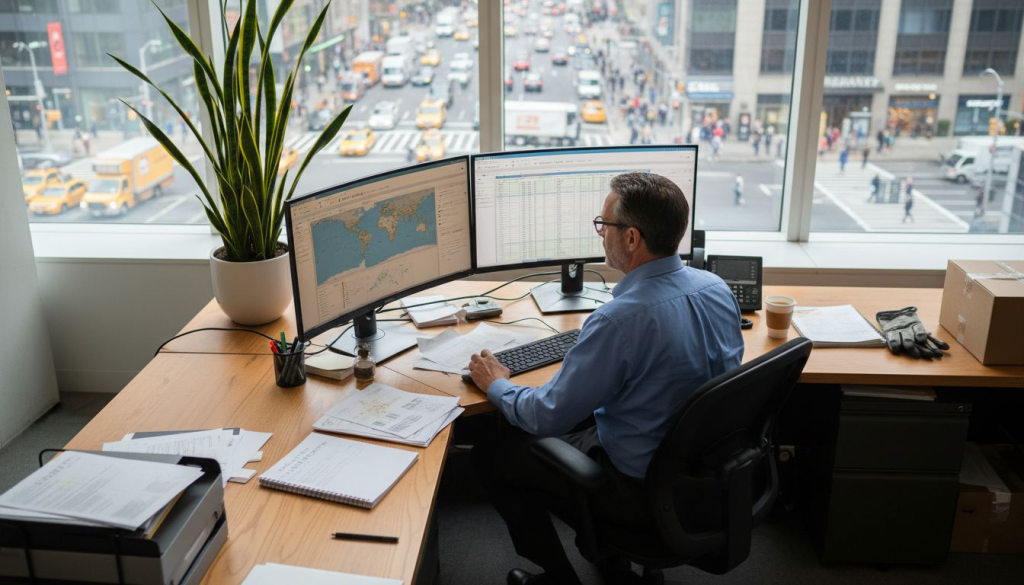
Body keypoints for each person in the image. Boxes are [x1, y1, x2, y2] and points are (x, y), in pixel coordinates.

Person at [468, 172, 744, 585]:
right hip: (705, 479)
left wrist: (496, 384)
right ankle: (612, 560)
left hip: (638, 492)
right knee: (592, 415)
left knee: (492, 446)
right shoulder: (716, 288)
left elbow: (546, 417)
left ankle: (560, 576)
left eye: (604, 226)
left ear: (631, 239)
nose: (600, 235)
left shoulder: (618, 320)